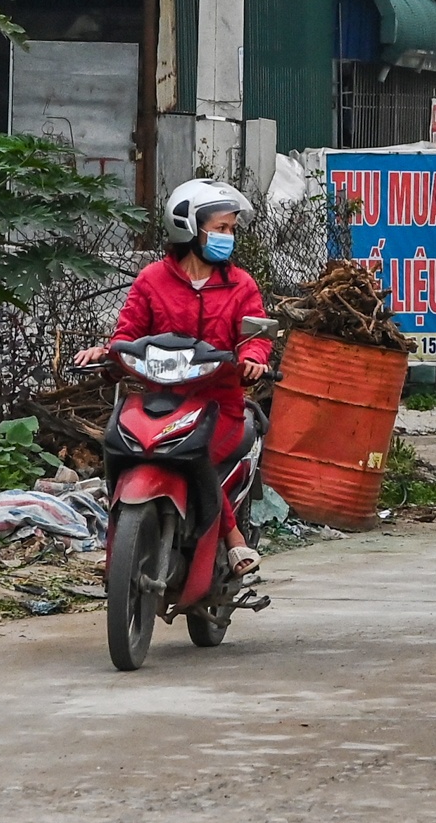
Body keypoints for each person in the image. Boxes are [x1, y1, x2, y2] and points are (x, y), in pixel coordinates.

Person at [74, 179, 272, 576]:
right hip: (159, 402)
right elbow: (127, 334)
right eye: (220, 228)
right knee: (117, 448)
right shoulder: (152, 280)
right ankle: (118, 544)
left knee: (194, 454)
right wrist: (107, 352)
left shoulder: (241, 284)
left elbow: (256, 338)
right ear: (189, 228)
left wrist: (252, 358)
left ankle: (233, 539)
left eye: (231, 229)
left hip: (220, 407)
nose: (227, 237)